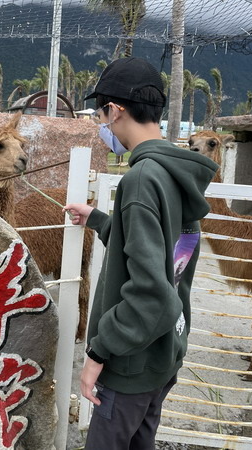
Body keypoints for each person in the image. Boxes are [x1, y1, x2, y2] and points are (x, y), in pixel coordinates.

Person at [63, 57, 219, 450]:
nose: (102, 125)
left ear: (114, 110)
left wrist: (99, 351)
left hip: (130, 361)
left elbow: (151, 289)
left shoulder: (140, 179)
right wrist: (101, 220)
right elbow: (175, 254)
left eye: (101, 114)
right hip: (163, 354)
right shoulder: (175, 174)